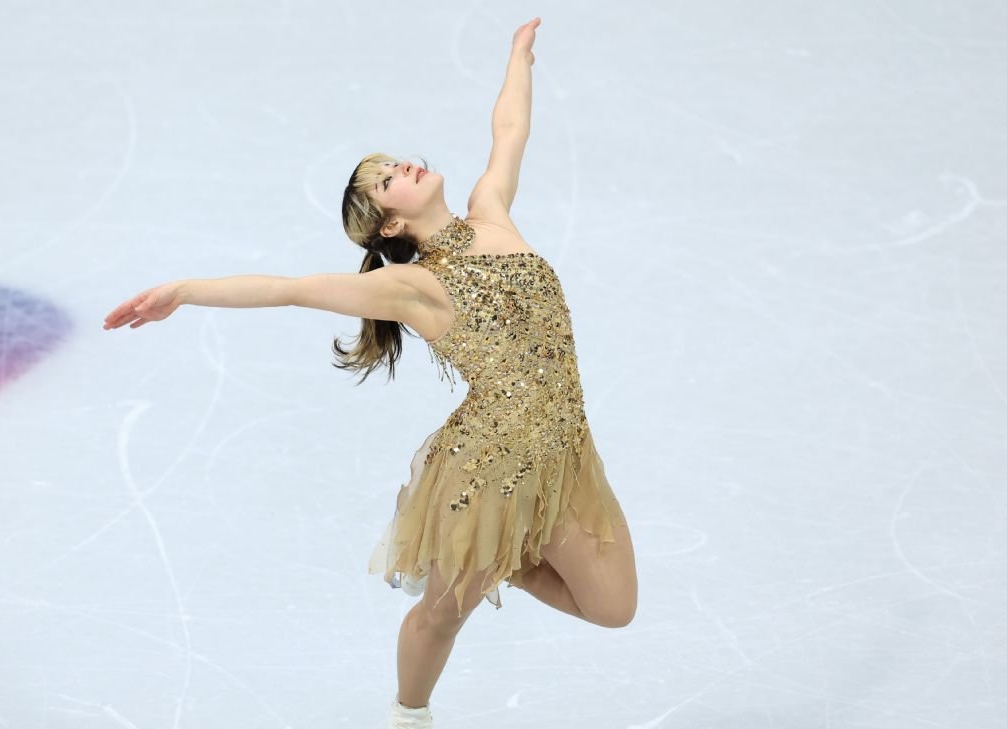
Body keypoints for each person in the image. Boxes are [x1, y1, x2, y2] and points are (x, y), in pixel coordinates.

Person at [103, 16, 638, 729]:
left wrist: (518, 57)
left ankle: (507, 553)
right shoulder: (413, 287)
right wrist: (183, 290)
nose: (405, 166)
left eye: (397, 161)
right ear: (389, 225)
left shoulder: (492, 212)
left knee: (614, 608)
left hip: (562, 451)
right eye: (388, 179)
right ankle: (407, 715)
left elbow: (509, 130)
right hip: (486, 470)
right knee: (444, 615)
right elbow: (288, 287)